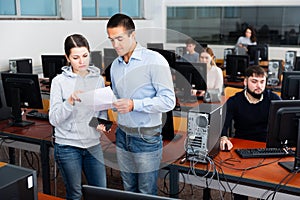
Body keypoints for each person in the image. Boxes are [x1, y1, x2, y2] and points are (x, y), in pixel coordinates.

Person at [106, 13, 176, 195]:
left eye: (119, 39)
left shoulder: (154, 61)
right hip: (122, 135)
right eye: (111, 40)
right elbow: (118, 98)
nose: (115, 45)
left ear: (132, 35)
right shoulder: (115, 65)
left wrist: (134, 105)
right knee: (128, 188)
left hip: (146, 138)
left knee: (146, 191)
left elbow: (169, 101)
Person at [49, 34, 108, 200]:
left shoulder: (98, 80)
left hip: (93, 145)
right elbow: (54, 119)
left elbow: (100, 114)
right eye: (75, 57)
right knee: (75, 194)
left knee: (100, 193)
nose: (81, 61)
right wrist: (69, 101)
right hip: (68, 146)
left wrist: (101, 125)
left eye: (85, 56)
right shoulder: (58, 82)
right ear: (67, 58)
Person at [220, 65, 281, 200]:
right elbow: (223, 123)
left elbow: (286, 121)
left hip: (266, 146)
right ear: (245, 82)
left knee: (269, 184)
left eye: (262, 82)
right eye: (254, 81)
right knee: (240, 185)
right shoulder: (235, 101)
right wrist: (224, 137)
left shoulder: (273, 99)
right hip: (241, 146)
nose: (258, 86)